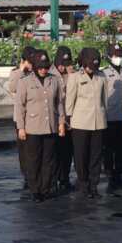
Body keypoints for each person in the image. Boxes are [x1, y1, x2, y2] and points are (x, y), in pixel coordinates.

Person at [15, 50, 66, 202]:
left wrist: (61, 122)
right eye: (41, 67)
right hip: (32, 127)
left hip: (50, 125)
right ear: (35, 66)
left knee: (48, 160)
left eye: (46, 67)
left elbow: (59, 103)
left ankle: (45, 188)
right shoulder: (24, 82)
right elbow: (20, 106)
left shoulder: (54, 80)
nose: (44, 70)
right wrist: (21, 127)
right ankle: (35, 189)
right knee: (34, 160)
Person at [65, 47, 107, 199]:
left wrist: (104, 116)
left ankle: (94, 185)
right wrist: (68, 118)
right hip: (80, 122)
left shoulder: (101, 76)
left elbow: (104, 99)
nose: (92, 68)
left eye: (94, 65)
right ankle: (83, 183)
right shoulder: (75, 77)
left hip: (98, 122)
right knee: (81, 155)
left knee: (96, 155)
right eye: (90, 65)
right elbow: (70, 100)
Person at [102, 42, 122, 192]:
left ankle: (119, 173)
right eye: (115, 55)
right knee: (109, 149)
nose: (118, 58)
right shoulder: (104, 73)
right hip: (110, 117)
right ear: (108, 56)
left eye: (120, 55)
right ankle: (109, 174)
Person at [9, 46, 35, 190]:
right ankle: (26, 174)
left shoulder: (36, 72)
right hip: (20, 116)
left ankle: (34, 173)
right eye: (29, 62)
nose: (31, 65)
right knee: (23, 148)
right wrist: (21, 70)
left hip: (34, 116)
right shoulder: (16, 73)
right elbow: (12, 89)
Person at [50, 46, 74, 192]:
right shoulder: (50, 73)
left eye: (66, 63)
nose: (63, 66)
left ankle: (64, 178)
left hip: (70, 119)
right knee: (54, 152)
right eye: (61, 63)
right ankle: (53, 179)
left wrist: (72, 75)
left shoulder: (73, 74)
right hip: (54, 118)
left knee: (67, 152)